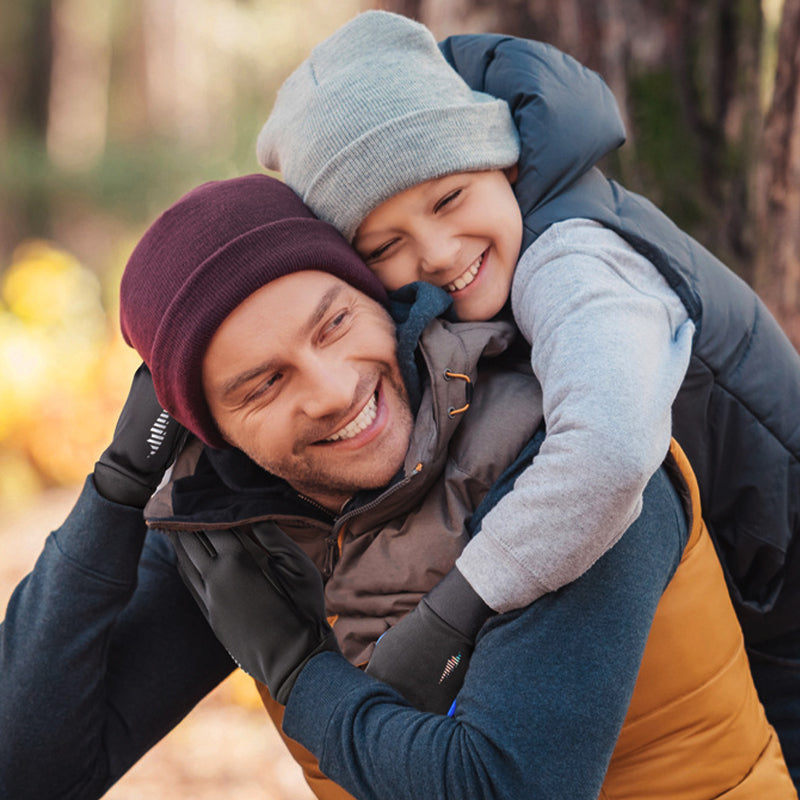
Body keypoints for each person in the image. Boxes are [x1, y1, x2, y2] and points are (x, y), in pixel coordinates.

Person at [0, 173, 794, 799]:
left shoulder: (562, 466)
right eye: (262, 384)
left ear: (379, 300)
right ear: (210, 430)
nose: (333, 389)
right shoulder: (237, 530)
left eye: (335, 322)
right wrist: (119, 485)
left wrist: (303, 678)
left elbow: (501, 787)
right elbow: (30, 771)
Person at [256, 10, 800, 779]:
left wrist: (456, 609)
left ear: (504, 162)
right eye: (385, 246)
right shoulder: (519, 247)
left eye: (448, 199)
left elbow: (608, 455)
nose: (438, 255)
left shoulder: (573, 257)